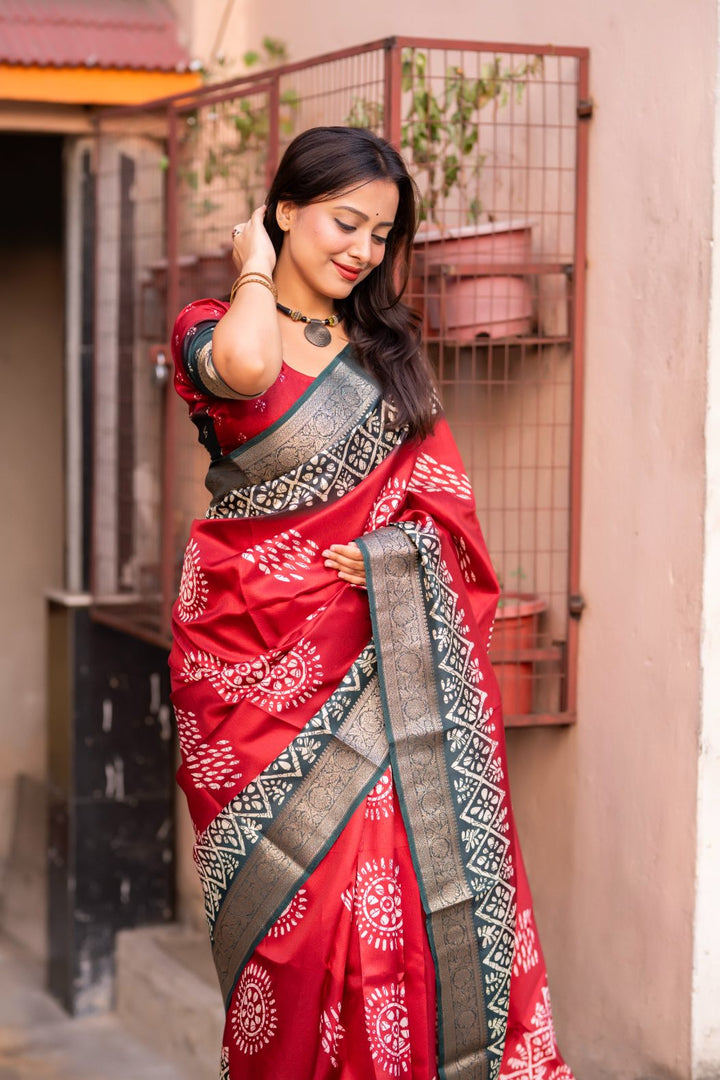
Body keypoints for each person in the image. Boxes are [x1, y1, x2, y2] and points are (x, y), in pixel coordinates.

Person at [169, 126, 573, 1080]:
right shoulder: (209, 323)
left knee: (392, 908)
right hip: (249, 672)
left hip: (385, 667)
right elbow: (252, 373)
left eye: (380, 235)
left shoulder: (389, 354)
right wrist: (256, 270)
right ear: (285, 212)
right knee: (294, 927)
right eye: (343, 223)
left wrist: (396, 559)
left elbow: (449, 523)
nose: (360, 251)